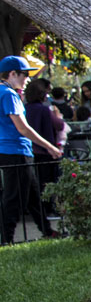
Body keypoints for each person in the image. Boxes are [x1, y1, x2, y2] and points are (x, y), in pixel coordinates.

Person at [0, 56, 62, 244]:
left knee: (33, 195)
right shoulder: (9, 94)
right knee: (13, 198)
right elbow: (23, 128)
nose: (27, 80)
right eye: (25, 75)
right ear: (12, 74)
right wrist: (50, 147)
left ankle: (47, 230)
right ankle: (6, 240)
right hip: (16, 151)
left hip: (9, 150)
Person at [23, 78, 64, 214]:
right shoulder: (45, 110)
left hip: (31, 150)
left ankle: (41, 208)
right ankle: (48, 207)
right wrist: (57, 115)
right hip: (45, 150)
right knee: (47, 182)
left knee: (37, 182)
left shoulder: (24, 109)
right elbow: (59, 125)